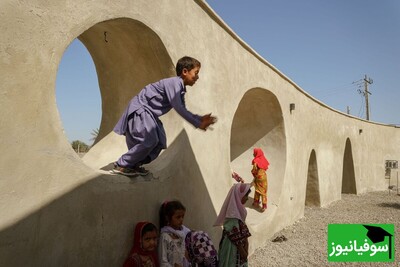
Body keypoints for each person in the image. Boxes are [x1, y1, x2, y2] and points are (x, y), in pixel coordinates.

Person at [111, 56, 217, 176]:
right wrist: (198, 123)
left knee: (160, 142)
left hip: (150, 115)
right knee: (149, 141)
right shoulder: (175, 83)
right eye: (196, 73)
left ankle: (134, 164)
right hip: (142, 109)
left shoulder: (180, 89)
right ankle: (122, 164)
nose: (197, 77)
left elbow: (183, 109)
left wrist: (199, 118)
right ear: (185, 71)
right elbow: (178, 108)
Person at [214, 183, 252, 267]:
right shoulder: (232, 213)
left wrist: (246, 245)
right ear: (239, 196)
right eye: (246, 195)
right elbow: (233, 233)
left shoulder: (240, 210)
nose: (247, 198)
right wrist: (242, 251)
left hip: (239, 247)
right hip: (231, 247)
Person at [158, 200, 191, 267]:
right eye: (178, 217)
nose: (181, 219)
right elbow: (163, 262)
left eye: (182, 216)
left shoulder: (182, 234)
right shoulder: (165, 237)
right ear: (167, 218)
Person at [251, 148, 269, 212]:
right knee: (263, 190)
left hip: (258, 177)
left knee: (257, 189)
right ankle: (264, 205)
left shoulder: (256, 160)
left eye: (254, 153)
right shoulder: (263, 158)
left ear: (256, 153)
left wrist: (253, 174)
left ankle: (256, 202)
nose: (253, 154)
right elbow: (265, 167)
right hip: (264, 177)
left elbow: (254, 170)